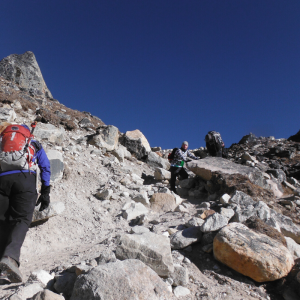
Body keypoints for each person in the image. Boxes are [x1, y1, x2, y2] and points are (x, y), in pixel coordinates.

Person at [0, 124, 51, 283]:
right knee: (21, 219)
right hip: (25, 179)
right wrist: (45, 191)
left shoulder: (3, 141)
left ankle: (2, 267)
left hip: (2, 180)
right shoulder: (33, 143)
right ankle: (10, 258)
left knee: (3, 222)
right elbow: (45, 166)